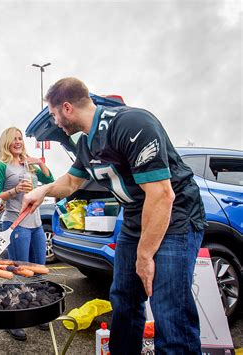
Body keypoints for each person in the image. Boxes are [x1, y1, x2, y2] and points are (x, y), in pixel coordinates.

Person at [22, 77, 206, 354]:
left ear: (67, 108)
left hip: (175, 217)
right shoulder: (85, 144)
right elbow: (71, 184)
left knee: (169, 310)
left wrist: (144, 256)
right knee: (124, 299)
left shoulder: (131, 123)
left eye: (53, 114)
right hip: (135, 218)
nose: (55, 122)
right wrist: (43, 190)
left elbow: (161, 195)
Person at [0, 127, 54, 341]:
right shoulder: (1, 166)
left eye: (20, 138)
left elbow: (50, 181)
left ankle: (35, 312)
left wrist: (40, 162)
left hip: (36, 225)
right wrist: (16, 190)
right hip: (15, 223)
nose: (18, 141)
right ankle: (13, 319)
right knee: (18, 273)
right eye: (13, 139)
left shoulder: (29, 165)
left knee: (38, 271)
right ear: (6, 142)